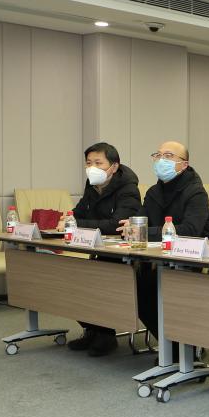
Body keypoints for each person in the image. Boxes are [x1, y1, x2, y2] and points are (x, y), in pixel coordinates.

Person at [123, 141, 209, 341]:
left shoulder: (196, 192)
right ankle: (168, 342)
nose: (161, 160)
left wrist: (144, 231)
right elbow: (140, 221)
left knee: (148, 285)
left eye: (169, 156)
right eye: (158, 155)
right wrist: (131, 226)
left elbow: (190, 230)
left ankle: (182, 344)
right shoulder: (153, 192)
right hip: (158, 256)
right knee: (134, 283)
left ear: (184, 164)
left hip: (191, 257)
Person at [61, 142, 141, 356]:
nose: (92, 168)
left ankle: (105, 334)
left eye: (98, 163)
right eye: (88, 163)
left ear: (114, 167)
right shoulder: (92, 184)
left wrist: (77, 224)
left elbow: (116, 225)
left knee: (98, 281)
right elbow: (79, 212)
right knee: (72, 280)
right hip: (98, 248)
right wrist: (68, 219)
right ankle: (93, 330)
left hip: (121, 253)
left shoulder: (129, 189)